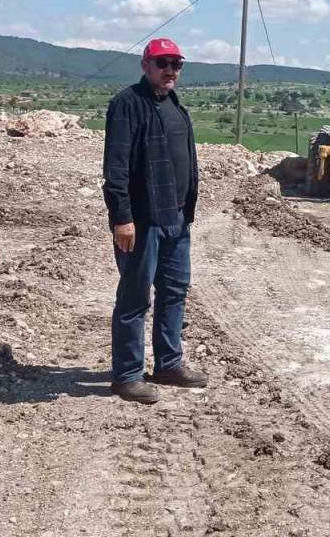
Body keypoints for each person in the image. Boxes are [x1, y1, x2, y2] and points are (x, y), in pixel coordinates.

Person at [101, 38, 207, 404]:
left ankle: (168, 364)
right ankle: (127, 375)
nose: (171, 70)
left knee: (174, 291)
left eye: (177, 64)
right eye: (163, 63)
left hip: (176, 218)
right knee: (134, 298)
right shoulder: (127, 104)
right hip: (142, 221)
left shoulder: (174, 105)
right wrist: (122, 218)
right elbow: (115, 168)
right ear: (145, 65)